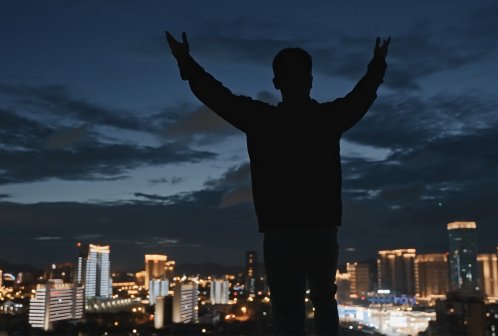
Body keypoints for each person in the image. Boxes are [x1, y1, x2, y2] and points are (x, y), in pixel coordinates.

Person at [166, 31, 390, 335]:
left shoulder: (261, 120)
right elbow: (362, 96)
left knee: (287, 311)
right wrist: (377, 64)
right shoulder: (329, 118)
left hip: (281, 232)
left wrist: (185, 61)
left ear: (276, 83)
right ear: (311, 81)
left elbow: (216, 95)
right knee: (325, 301)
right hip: (322, 230)